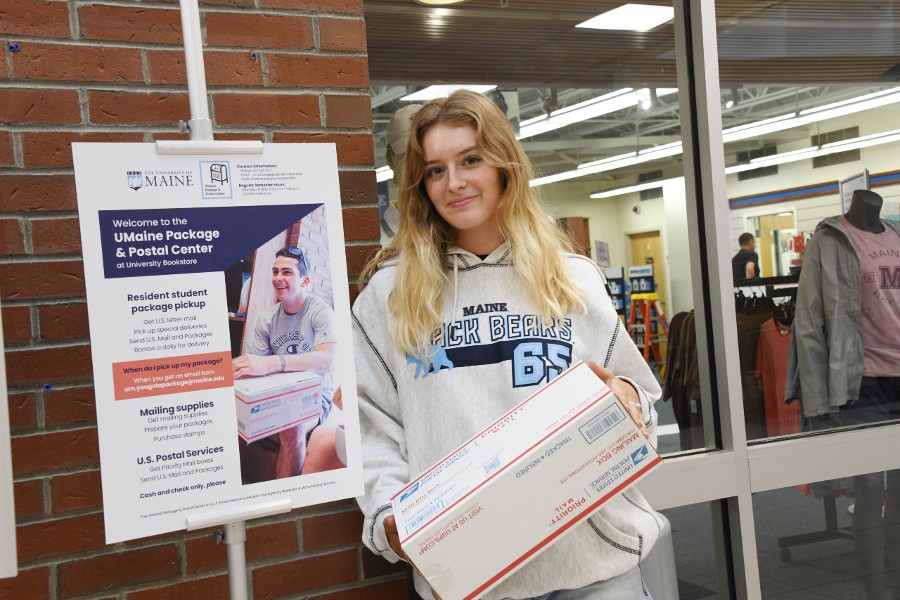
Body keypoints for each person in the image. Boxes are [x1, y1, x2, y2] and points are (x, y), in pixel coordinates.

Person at [352, 90, 664, 599]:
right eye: (435, 170)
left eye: (470, 159)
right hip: (471, 579)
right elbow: (370, 429)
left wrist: (627, 400)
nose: (454, 182)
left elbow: (640, 400)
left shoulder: (571, 278)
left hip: (595, 572)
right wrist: (390, 518)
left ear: (503, 165)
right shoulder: (389, 296)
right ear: (419, 186)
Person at [794, 189, 900, 599]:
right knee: (871, 490)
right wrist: (818, 402)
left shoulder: (895, 235)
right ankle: (878, 591)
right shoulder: (830, 240)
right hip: (862, 382)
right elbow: (808, 322)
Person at [232, 246, 341, 477]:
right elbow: (258, 370)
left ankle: (291, 501)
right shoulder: (266, 319)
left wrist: (273, 363)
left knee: (292, 428)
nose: (278, 278)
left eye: (287, 272)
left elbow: (327, 361)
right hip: (278, 392)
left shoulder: (320, 313)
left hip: (314, 395)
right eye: (275, 272)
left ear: (305, 280)